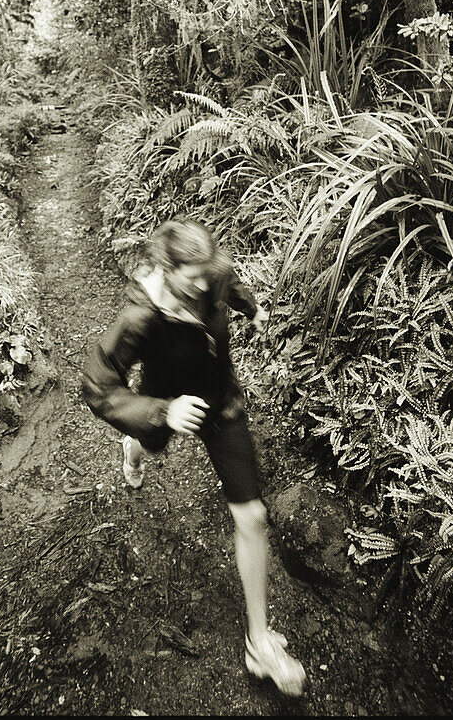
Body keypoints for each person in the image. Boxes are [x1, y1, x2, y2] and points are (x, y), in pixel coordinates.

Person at [82, 218, 306, 697]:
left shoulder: (212, 273)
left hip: (221, 402)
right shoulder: (140, 315)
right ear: (167, 268)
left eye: (208, 274)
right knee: (149, 442)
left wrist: (251, 307)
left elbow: (228, 284)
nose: (203, 285)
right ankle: (133, 447)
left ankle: (259, 642)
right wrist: (159, 411)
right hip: (168, 404)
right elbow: (99, 385)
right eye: (192, 277)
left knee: (252, 515)